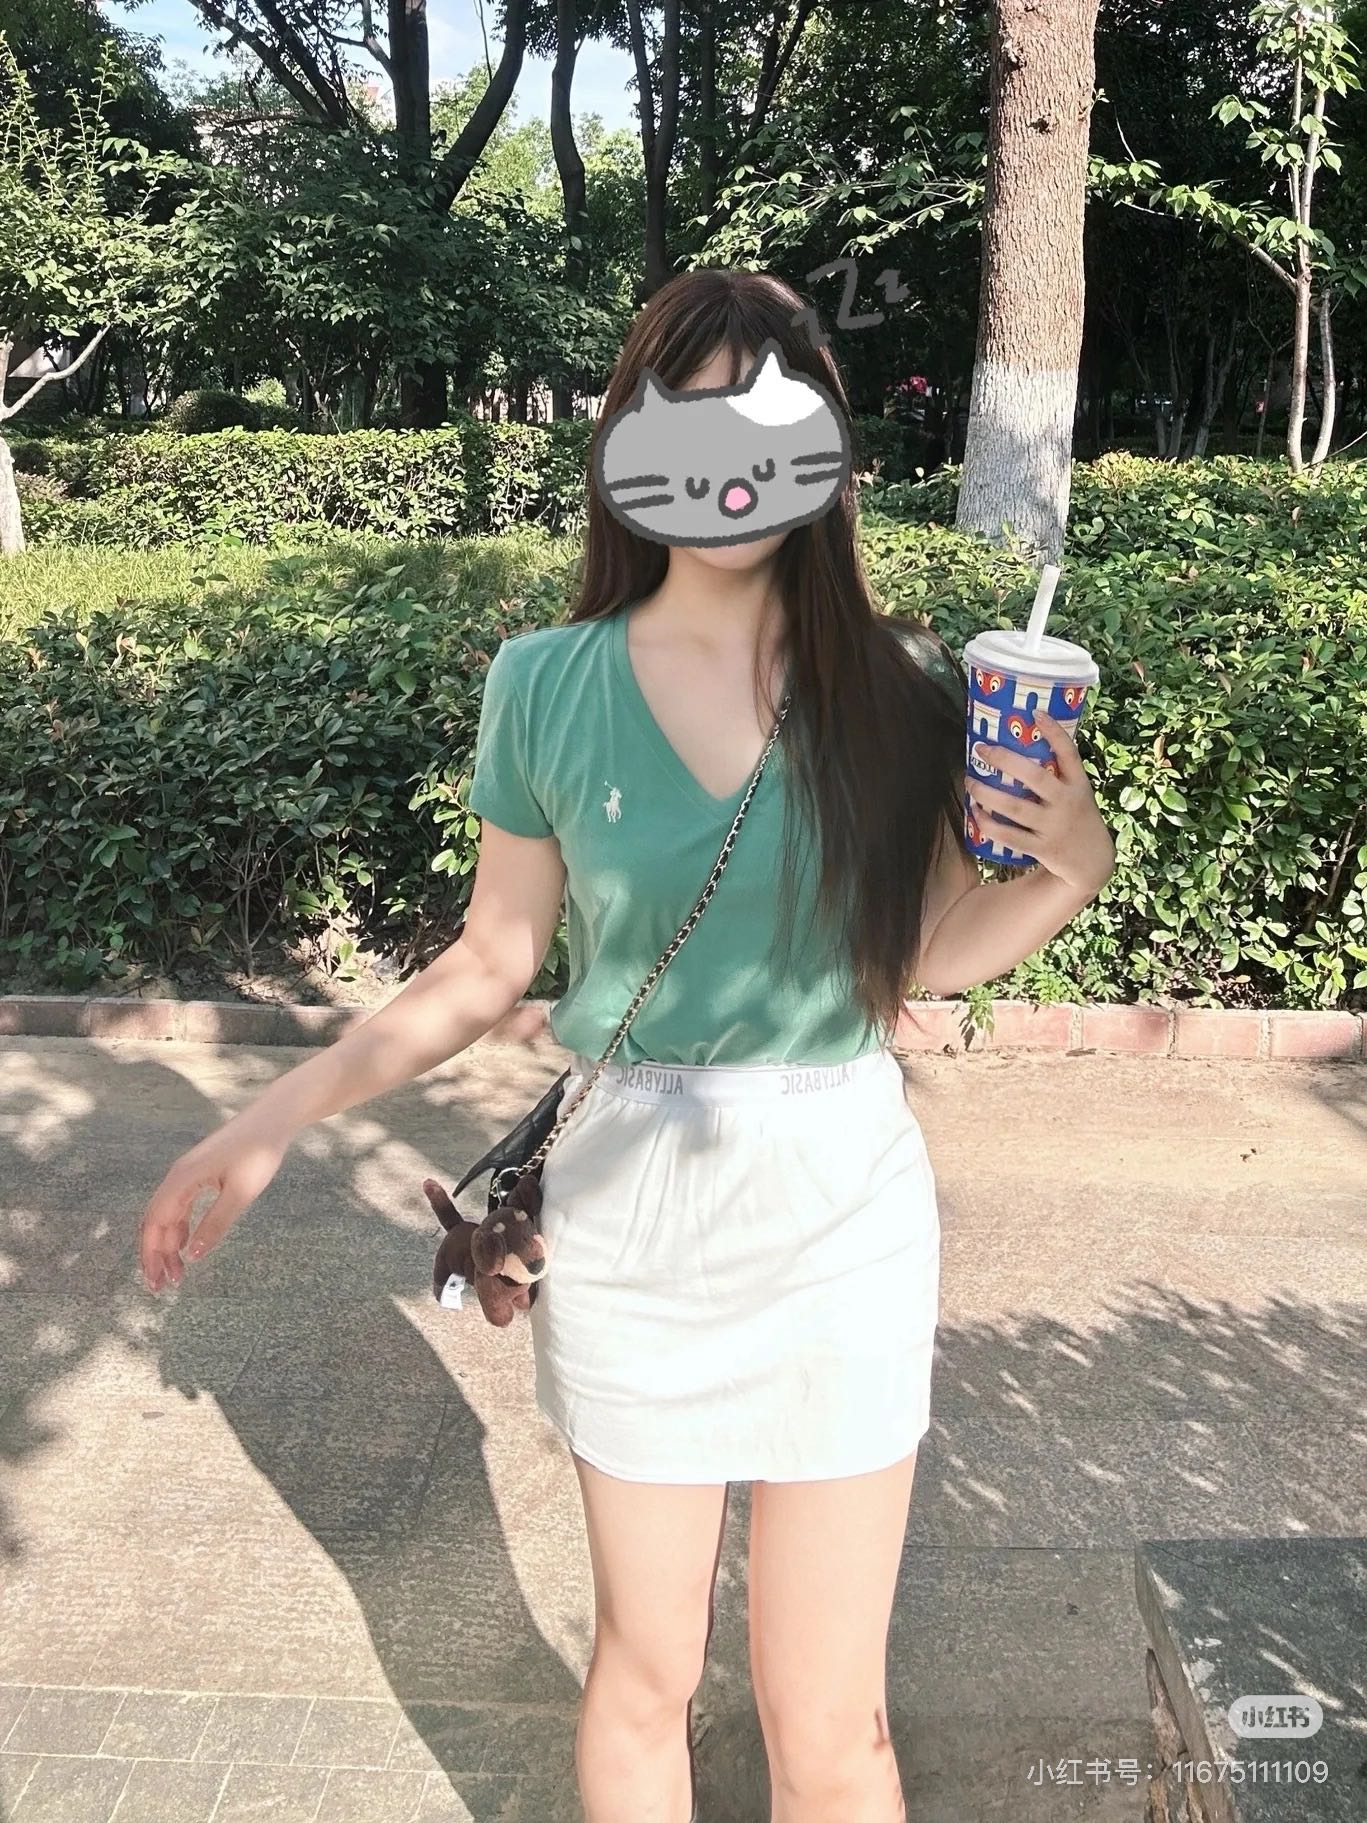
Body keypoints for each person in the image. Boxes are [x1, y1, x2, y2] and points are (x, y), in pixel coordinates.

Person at [139, 267, 1116, 1823]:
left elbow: (918, 957)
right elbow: (491, 962)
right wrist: (270, 1119)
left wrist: (1070, 865)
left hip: (840, 1203)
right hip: (630, 1210)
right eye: (689, 419)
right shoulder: (546, 682)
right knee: (646, 1677)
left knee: (834, 1724)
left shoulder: (909, 684)